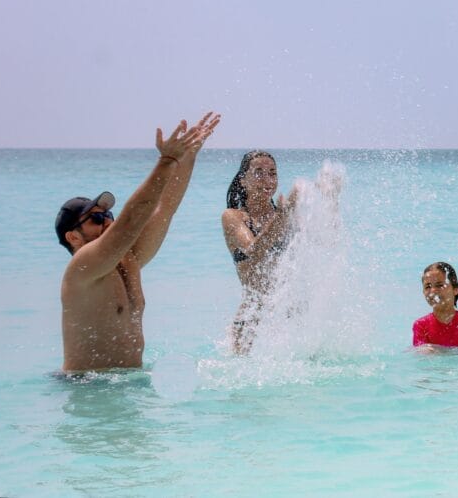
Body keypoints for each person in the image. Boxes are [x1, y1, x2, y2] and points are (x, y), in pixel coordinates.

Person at [56, 112, 219, 373]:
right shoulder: (81, 267)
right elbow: (131, 220)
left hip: (126, 384)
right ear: (73, 237)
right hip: (87, 389)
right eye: (97, 218)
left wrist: (187, 157)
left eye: (109, 215)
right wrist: (167, 161)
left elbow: (164, 209)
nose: (108, 222)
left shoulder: (128, 261)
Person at [222, 151, 298, 354]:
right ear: (243, 180)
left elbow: (323, 243)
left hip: (290, 315)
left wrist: (331, 199)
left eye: (272, 173)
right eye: (259, 172)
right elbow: (254, 251)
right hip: (251, 320)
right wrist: (281, 217)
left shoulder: (287, 215)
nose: (267, 179)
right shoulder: (233, 217)